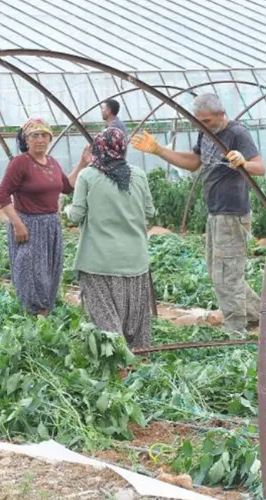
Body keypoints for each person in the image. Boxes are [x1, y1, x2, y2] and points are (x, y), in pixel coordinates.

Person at [130, 94, 265, 335]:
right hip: (215, 211)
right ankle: (260, 316)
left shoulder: (237, 134)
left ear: (221, 115)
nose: (203, 125)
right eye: (198, 122)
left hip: (233, 213)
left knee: (227, 274)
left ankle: (235, 329)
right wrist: (159, 150)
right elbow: (194, 163)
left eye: (207, 121)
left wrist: (243, 162)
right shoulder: (206, 133)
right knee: (219, 271)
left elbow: (260, 167)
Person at [65, 128, 154, 348]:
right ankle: (138, 362)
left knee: (106, 319)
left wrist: (66, 209)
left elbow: (76, 215)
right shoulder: (139, 175)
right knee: (134, 317)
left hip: (99, 261)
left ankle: (117, 364)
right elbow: (150, 211)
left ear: (97, 148)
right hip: (135, 260)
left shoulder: (88, 175)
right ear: (122, 149)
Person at [0, 116, 90, 316]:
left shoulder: (52, 163)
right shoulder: (20, 163)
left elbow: (66, 187)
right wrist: (17, 224)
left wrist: (82, 162)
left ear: (50, 138)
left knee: (49, 272)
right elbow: (2, 194)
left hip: (50, 226)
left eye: (44, 135)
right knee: (30, 274)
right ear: (26, 140)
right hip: (28, 225)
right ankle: (31, 317)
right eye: (34, 135)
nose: (40, 139)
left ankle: (43, 317)